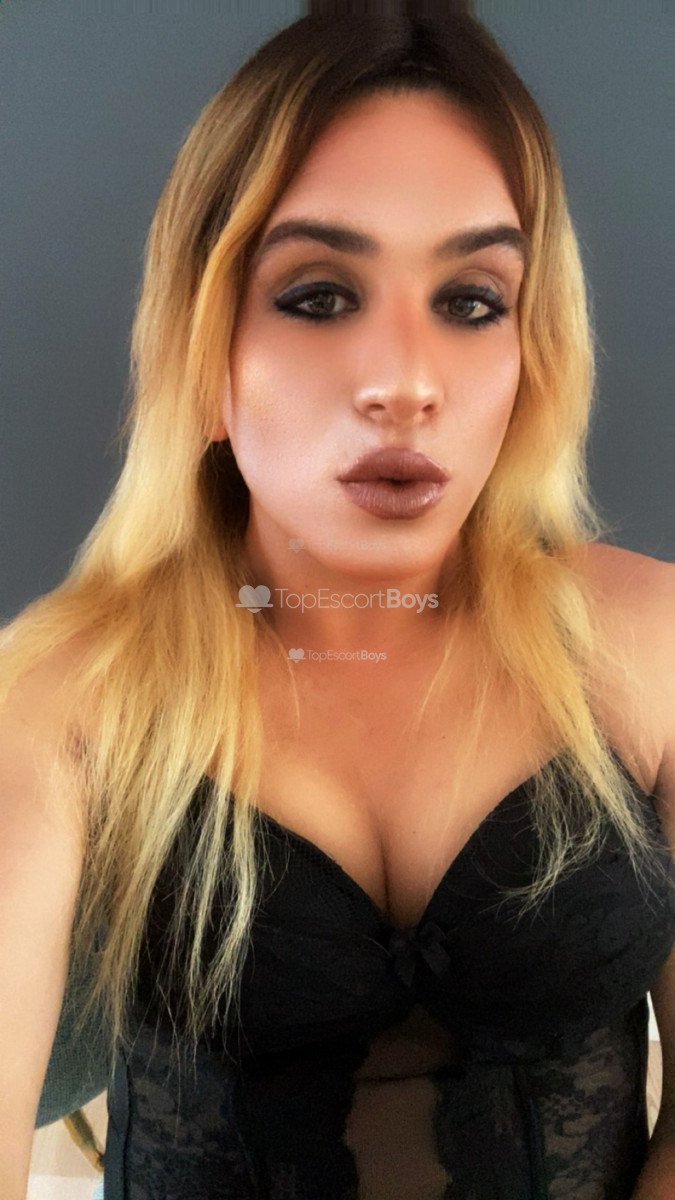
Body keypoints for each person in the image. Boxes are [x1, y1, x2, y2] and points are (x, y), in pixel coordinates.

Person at [1, 4, 673, 1198]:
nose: (405, 384)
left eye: (471, 301)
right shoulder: (63, 701)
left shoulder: (652, 646)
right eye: (318, 295)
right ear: (207, 351)